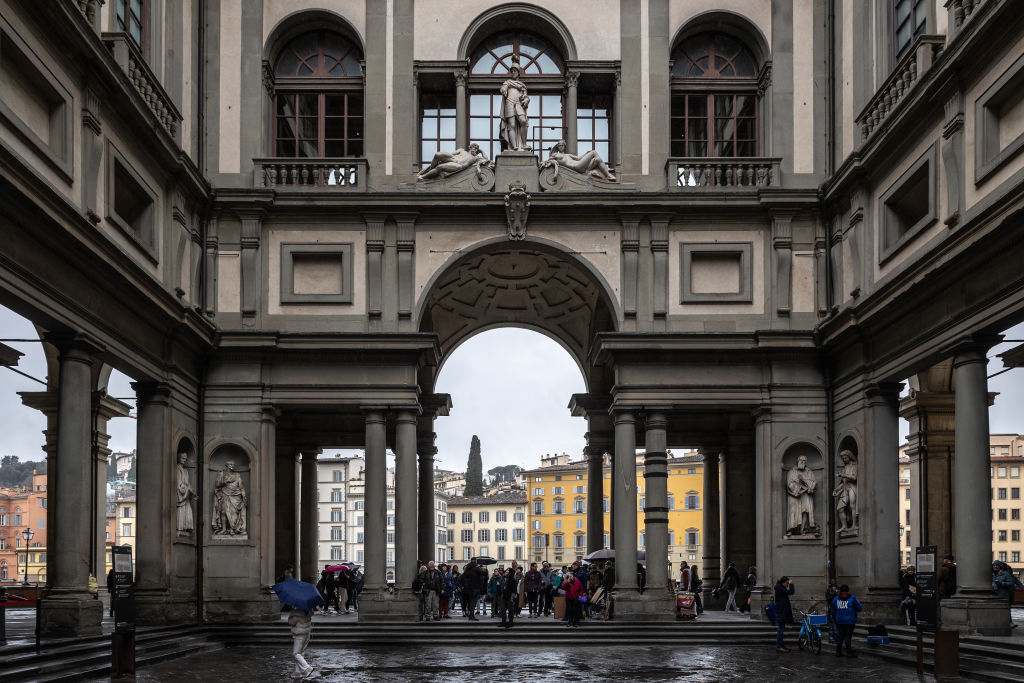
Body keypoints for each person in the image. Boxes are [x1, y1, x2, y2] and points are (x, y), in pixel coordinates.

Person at [542, 140, 616, 180]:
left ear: (564, 146)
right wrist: (551, 161)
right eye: (559, 145)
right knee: (593, 152)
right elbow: (548, 161)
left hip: (579, 165)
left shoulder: (568, 155)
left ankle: (607, 174)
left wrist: (587, 153)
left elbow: (578, 158)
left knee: (597, 159)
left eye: (562, 145)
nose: (561, 147)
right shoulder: (555, 155)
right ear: (557, 147)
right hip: (576, 167)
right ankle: (607, 172)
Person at [417, 143, 492, 181]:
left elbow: (486, 159)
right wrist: (442, 159)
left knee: (440, 167)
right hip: (453, 159)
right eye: (474, 148)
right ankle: (430, 173)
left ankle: (423, 177)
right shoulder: (461, 150)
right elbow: (451, 154)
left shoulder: (476, 158)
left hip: (459, 165)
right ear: (470, 147)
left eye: (477, 149)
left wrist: (481, 151)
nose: (475, 150)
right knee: (437, 154)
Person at [499, 61, 530, 151]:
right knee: (511, 125)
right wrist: (503, 90)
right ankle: (513, 146)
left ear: (518, 72)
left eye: (515, 71)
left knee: (523, 121)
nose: (513, 72)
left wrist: (526, 100)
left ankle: (523, 144)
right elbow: (503, 88)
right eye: (512, 71)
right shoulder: (507, 82)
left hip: (518, 104)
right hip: (509, 103)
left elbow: (526, 96)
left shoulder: (522, 85)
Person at [212, 460, 247, 536]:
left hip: (236, 495)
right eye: (231, 464)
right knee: (223, 511)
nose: (232, 465)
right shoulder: (221, 474)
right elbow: (217, 484)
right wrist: (224, 482)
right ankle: (224, 529)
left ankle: (232, 529)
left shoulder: (237, 475)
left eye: (233, 464)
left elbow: (241, 487)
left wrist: (244, 496)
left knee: (234, 512)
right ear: (226, 465)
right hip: (225, 493)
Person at [786, 455, 817, 535]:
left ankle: (802, 529)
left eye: (804, 461)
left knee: (805, 511)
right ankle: (791, 529)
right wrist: (798, 487)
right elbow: (789, 484)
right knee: (794, 511)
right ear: (798, 461)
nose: (802, 462)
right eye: (801, 461)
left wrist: (804, 481)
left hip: (806, 495)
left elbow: (813, 483)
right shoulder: (792, 471)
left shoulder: (809, 472)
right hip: (796, 495)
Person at [830, 584, 863, 657]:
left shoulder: (836, 599)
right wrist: (859, 602)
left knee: (840, 636)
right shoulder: (852, 598)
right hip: (850, 621)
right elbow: (859, 608)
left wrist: (835, 619)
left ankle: (838, 652)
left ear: (840, 590)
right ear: (848, 590)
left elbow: (832, 611)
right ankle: (849, 653)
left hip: (840, 621)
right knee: (848, 637)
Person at [287, 606, 314, 678]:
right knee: (301, 653)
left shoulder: (296, 614)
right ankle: (297, 672)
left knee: (296, 653)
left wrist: (291, 614)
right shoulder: (309, 610)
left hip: (299, 635)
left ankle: (307, 668)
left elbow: (291, 622)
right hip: (307, 634)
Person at [774, 576, 795, 653]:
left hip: (782, 611)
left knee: (781, 629)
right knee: (781, 630)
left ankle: (781, 645)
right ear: (783, 582)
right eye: (787, 583)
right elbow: (791, 592)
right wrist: (791, 584)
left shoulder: (780, 588)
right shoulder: (780, 589)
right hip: (781, 612)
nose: (787, 584)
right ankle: (779, 646)